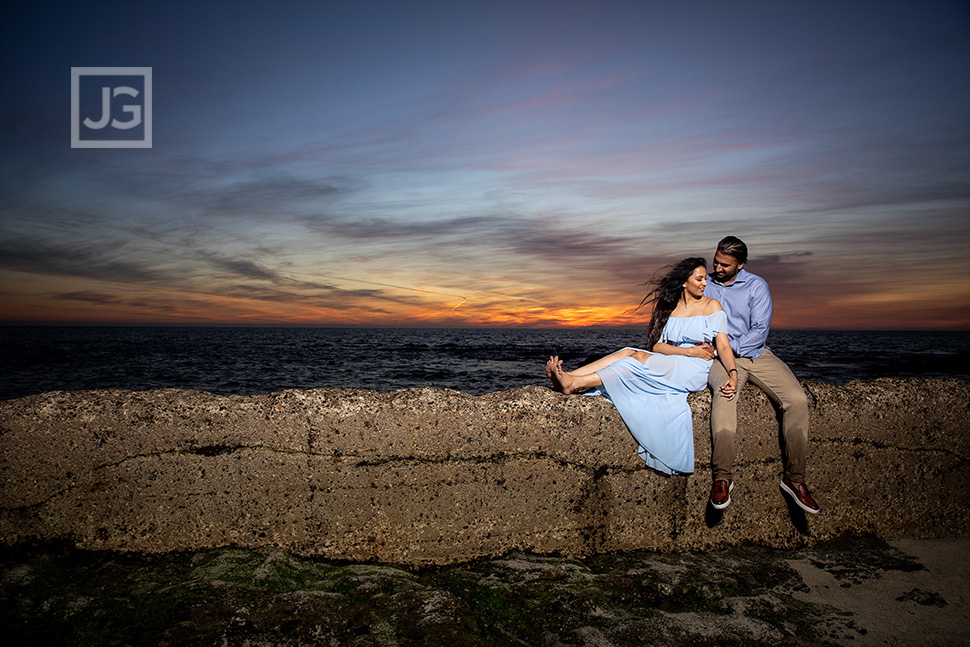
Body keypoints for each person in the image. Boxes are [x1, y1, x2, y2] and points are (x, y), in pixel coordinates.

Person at [546, 258, 738, 476]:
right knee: (627, 352)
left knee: (634, 361)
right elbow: (658, 346)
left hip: (694, 368)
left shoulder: (711, 305)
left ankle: (574, 383)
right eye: (699, 278)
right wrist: (688, 350)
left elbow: (723, 345)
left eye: (705, 279)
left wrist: (732, 373)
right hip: (677, 358)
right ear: (685, 282)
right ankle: (569, 375)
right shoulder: (672, 308)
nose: (705, 283)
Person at [703, 236, 820, 514]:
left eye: (725, 265)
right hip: (720, 356)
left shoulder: (757, 286)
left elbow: (759, 331)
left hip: (755, 353)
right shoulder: (704, 283)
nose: (718, 268)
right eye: (716, 262)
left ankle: (795, 479)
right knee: (726, 395)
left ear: (741, 264)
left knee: (797, 400)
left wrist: (731, 348)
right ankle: (722, 477)